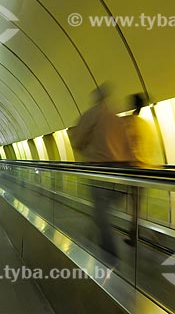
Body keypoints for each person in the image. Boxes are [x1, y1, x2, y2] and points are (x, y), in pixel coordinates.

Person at [69, 84, 135, 258]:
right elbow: (127, 147)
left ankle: (109, 253)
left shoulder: (91, 115)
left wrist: (85, 151)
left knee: (101, 211)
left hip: (99, 169)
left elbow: (77, 139)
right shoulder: (115, 117)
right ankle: (98, 235)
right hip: (119, 170)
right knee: (105, 208)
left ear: (96, 98)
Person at [122, 93, 161, 246]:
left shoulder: (130, 123)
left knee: (134, 206)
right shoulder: (146, 125)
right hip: (147, 169)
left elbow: (127, 146)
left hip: (134, 169)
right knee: (137, 205)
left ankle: (135, 235)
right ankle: (136, 233)